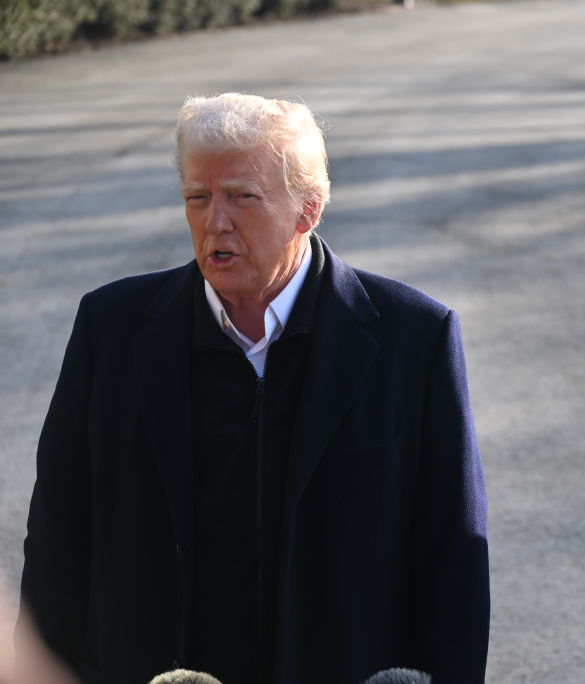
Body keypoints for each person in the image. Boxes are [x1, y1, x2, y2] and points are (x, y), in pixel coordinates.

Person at [19, 93, 489, 684]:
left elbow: (454, 556)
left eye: (243, 196)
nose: (216, 221)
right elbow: (59, 535)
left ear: (307, 209)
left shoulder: (413, 337)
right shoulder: (111, 328)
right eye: (198, 198)